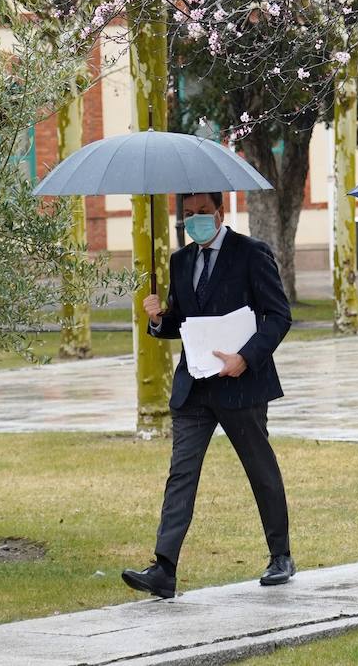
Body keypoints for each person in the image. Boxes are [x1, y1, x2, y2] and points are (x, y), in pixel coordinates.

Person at [121, 191, 294, 599]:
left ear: (220, 212)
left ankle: (280, 555)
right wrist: (158, 319)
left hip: (242, 384)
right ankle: (164, 569)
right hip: (194, 388)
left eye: (203, 212)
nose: (195, 220)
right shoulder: (180, 260)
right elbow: (182, 321)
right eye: (188, 214)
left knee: (260, 470)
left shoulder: (252, 253)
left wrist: (246, 358)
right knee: (181, 474)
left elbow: (279, 315)